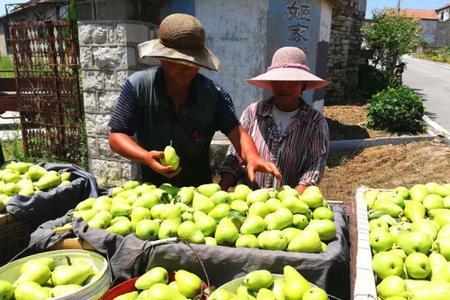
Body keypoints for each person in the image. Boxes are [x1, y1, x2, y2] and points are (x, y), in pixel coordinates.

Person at [108, 13, 280, 187]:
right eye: (179, 62)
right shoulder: (138, 86)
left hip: (200, 195)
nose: (188, 69)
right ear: (162, 58)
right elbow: (116, 136)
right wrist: (145, 157)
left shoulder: (214, 95)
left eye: (193, 63)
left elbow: (239, 134)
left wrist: (252, 157)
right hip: (152, 194)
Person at [219, 47, 329, 195]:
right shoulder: (253, 113)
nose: (284, 86)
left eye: (293, 81)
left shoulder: (315, 122)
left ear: (303, 85)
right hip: (250, 202)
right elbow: (236, 154)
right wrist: (221, 190)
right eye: (279, 80)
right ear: (270, 82)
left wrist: (290, 202)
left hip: (290, 208)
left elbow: (314, 167)